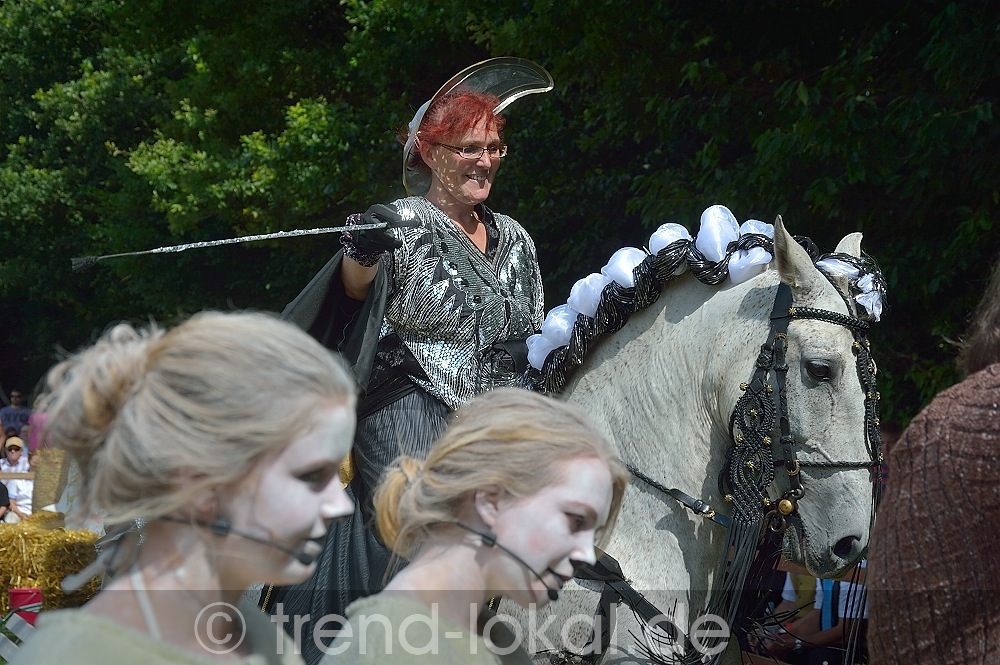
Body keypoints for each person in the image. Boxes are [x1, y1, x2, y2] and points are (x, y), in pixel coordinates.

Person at [272, 58, 554, 657]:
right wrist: (362, 252)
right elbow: (353, 291)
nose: (485, 161)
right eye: (470, 148)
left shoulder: (518, 238)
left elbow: (533, 332)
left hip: (500, 416)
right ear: (429, 152)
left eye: (494, 149)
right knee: (424, 518)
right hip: (407, 402)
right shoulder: (399, 221)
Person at [11, 311, 357, 664]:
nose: (341, 504)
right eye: (311, 475)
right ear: (201, 481)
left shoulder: (260, 637)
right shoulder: (82, 656)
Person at [315, 388, 629, 664]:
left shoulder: (500, 643)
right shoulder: (389, 649)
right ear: (491, 499)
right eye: (575, 520)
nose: (587, 555)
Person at [3, 448, 35, 523]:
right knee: (10, 520)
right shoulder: (18, 479)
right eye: (34, 462)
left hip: (38, 514)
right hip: (19, 512)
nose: (36, 465)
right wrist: (21, 514)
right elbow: (11, 502)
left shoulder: (46, 482)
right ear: (29, 461)